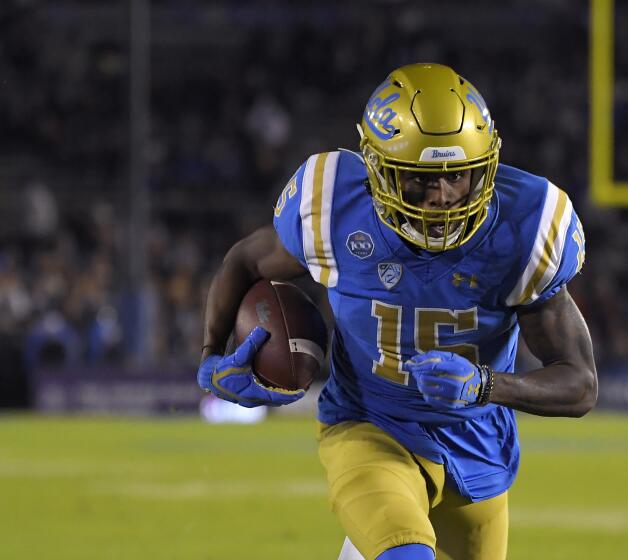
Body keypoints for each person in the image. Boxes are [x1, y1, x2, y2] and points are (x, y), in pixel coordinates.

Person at [198, 63, 597, 560]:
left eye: (459, 176)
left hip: (476, 449)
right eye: (421, 180)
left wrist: (484, 385)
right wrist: (213, 353)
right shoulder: (333, 206)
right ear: (377, 169)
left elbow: (580, 383)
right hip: (369, 425)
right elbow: (246, 259)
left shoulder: (527, 228)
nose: (444, 197)